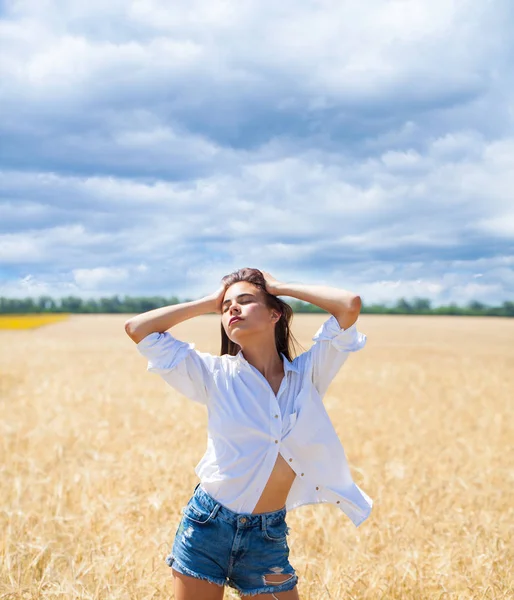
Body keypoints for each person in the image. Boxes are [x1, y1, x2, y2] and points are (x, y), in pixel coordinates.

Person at [125, 268, 373, 600]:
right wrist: (208, 302)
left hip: (266, 539)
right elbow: (138, 329)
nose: (233, 309)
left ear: (275, 314)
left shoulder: (307, 375)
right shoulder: (214, 374)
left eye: (245, 301)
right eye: (227, 306)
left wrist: (280, 287)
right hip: (207, 528)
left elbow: (348, 305)